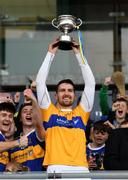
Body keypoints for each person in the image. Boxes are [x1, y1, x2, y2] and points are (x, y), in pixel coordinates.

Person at [36, 38, 95, 173]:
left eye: (70, 90)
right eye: (62, 90)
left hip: (81, 168)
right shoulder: (49, 112)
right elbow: (40, 83)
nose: (66, 93)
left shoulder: (82, 113)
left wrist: (79, 54)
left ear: (74, 95)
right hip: (56, 167)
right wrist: (50, 54)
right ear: (55, 96)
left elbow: (91, 83)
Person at [10, 89, 46, 171]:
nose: (28, 113)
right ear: (20, 119)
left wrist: (33, 100)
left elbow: (38, 123)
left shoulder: (39, 136)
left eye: (32, 111)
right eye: (25, 111)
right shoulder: (13, 143)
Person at [0, 101, 28, 172]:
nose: (7, 119)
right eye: (4, 115)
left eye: (10, 116)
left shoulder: (4, 140)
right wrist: (18, 142)